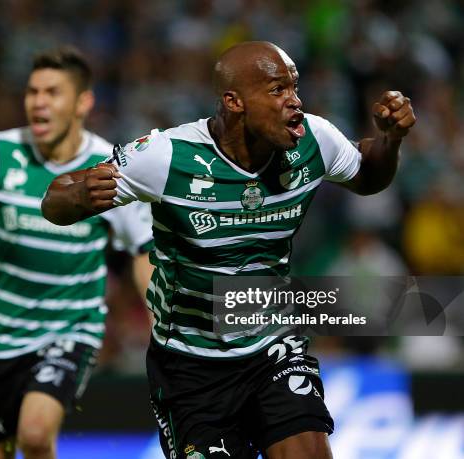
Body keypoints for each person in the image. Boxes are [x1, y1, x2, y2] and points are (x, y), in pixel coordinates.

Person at [41, 41, 416, 458]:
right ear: (234, 102)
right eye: (277, 91)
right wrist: (79, 199)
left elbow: (367, 176)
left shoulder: (314, 139)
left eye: (294, 87)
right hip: (191, 364)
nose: (295, 102)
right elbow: (56, 197)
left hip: (273, 344)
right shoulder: (168, 156)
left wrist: (390, 140)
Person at [0, 47, 154, 459]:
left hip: (70, 330)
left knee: (36, 435)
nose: (38, 101)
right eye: (32, 91)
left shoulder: (108, 167)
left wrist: (157, 317)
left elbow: (142, 250)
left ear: (83, 102)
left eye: (52, 92)